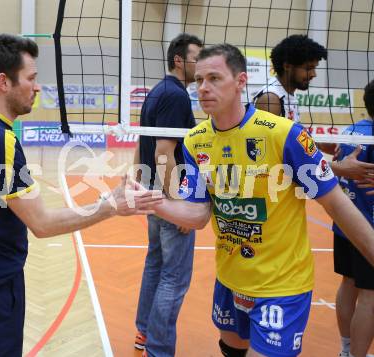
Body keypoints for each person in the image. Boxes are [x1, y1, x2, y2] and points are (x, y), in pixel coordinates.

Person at [153, 43, 374, 357]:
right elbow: (198, 214)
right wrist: (152, 202)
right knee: (231, 348)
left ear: (240, 82)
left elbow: (336, 203)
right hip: (230, 279)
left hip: (281, 285)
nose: (203, 87)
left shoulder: (284, 134)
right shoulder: (195, 140)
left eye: (214, 78)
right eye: (199, 79)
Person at [0, 34, 161, 357]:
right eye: (31, 78)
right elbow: (42, 224)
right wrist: (110, 206)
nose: (36, 87)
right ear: (4, 82)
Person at [133, 32, 203, 357]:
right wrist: (178, 205)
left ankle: (144, 334)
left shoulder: (157, 91)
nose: (200, 64)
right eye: (196, 58)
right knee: (173, 276)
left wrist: (138, 181)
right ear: (179, 60)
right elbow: (163, 151)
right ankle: (158, 350)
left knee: (155, 264)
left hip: (152, 190)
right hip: (167, 194)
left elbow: (141, 142)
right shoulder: (175, 96)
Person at [253, 34, 374, 180]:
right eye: (308, 68)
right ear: (287, 66)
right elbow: (267, 157)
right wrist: (337, 168)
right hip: (270, 186)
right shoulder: (270, 99)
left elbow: (288, 140)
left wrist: (319, 145)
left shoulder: (286, 95)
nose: (313, 74)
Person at [333, 80, 374, 357]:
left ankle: (346, 350)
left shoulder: (353, 129)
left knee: (348, 283)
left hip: (344, 222)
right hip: (368, 227)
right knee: (371, 296)